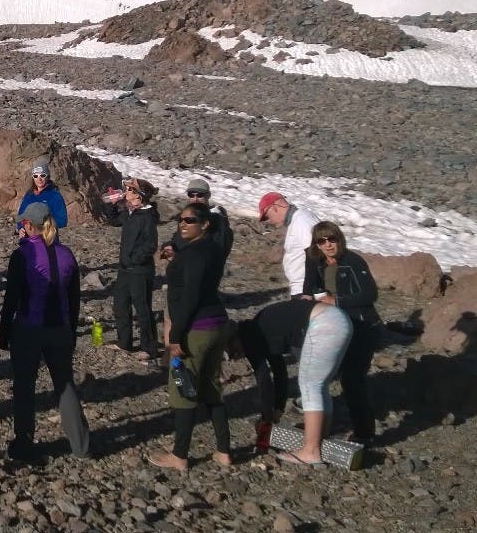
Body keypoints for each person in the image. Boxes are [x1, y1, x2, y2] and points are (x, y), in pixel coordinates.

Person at [0, 201, 90, 462]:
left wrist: (4, 332)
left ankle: (24, 442)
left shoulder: (22, 256)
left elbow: (11, 299)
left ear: (28, 226)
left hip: (29, 328)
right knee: (65, 384)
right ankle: (81, 445)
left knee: (25, 386)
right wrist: (71, 332)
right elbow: (74, 300)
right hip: (60, 328)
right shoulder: (67, 255)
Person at [148, 201, 233, 470]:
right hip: (218, 322)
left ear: (205, 224)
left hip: (197, 327)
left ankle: (180, 455)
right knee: (211, 388)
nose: (183, 225)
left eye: (189, 221)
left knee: (184, 388)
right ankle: (223, 450)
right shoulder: (211, 249)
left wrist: (175, 336)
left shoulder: (194, 255)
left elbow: (190, 296)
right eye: (180, 221)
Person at [234, 298, 353, 466]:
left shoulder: (249, 337)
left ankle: (311, 450)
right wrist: (278, 409)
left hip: (324, 324)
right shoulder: (261, 327)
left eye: (233, 351)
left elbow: (264, 381)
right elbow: (279, 370)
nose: (235, 356)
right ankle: (320, 437)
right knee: (319, 385)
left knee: (310, 386)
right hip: (339, 319)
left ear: (235, 338)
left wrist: (267, 419)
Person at [301, 221, 380, 442]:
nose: (328, 245)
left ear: (339, 239)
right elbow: (309, 288)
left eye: (332, 239)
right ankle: (325, 424)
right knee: (326, 375)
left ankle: (365, 434)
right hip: (336, 326)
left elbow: (370, 295)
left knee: (353, 379)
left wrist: (337, 301)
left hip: (361, 326)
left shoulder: (353, 262)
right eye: (322, 241)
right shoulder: (317, 262)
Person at [110, 177, 160, 361]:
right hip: (125, 269)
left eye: (130, 190)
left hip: (139, 271)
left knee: (142, 309)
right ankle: (125, 342)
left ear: (139, 196)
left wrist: (134, 259)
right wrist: (113, 204)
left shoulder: (147, 217)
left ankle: (150, 347)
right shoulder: (130, 213)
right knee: (120, 305)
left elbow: (150, 245)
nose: (126, 192)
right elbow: (114, 221)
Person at [258, 191, 322, 297]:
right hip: (302, 288)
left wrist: (308, 292)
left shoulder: (301, 220)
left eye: (267, 216)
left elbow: (314, 254)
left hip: (306, 290)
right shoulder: (297, 220)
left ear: (274, 208)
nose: (268, 221)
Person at [16, 161, 69, 228]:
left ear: (48, 176)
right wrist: (21, 228)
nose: (39, 179)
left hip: (47, 236)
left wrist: (43, 224)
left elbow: (62, 221)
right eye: (35, 176)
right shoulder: (29, 195)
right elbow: (21, 216)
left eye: (42, 175)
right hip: (28, 236)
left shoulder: (55, 196)